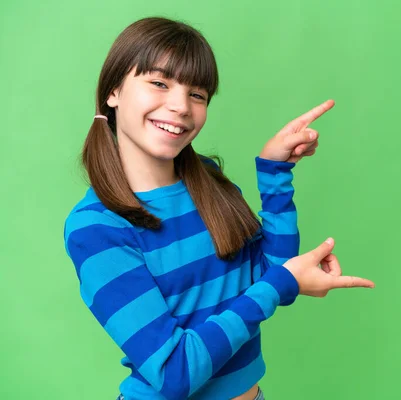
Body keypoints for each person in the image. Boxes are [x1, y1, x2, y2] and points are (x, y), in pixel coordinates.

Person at [63, 16, 375, 400]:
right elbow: (175, 372)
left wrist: (275, 172)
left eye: (197, 94)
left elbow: (273, 272)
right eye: (159, 83)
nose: (180, 106)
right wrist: (281, 285)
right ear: (113, 91)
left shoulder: (205, 180)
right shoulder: (96, 228)